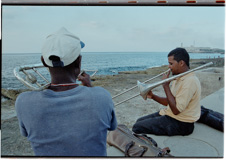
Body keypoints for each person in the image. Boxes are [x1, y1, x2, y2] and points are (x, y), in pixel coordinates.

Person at [15, 27, 117, 156]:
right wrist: (90, 88)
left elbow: (25, 133)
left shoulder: (23, 101)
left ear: (43, 61)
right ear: (79, 61)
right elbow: (112, 127)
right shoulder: (102, 96)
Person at [132, 48, 201, 136]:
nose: (169, 66)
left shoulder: (190, 81)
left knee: (137, 127)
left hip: (182, 123)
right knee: (139, 121)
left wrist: (166, 86)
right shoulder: (178, 76)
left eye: (171, 63)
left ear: (181, 63)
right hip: (171, 114)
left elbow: (176, 110)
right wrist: (153, 96)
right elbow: (170, 101)